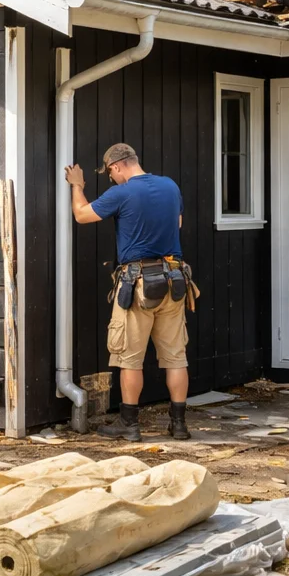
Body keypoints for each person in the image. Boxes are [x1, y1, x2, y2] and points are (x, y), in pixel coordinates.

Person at [64, 143, 192, 442]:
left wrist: (77, 185)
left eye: (110, 173)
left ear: (118, 165)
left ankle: (129, 424)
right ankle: (179, 424)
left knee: (129, 359)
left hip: (138, 285)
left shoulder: (122, 193)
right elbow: (178, 223)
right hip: (174, 281)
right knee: (176, 357)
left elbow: (82, 215)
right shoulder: (170, 186)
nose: (111, 179)